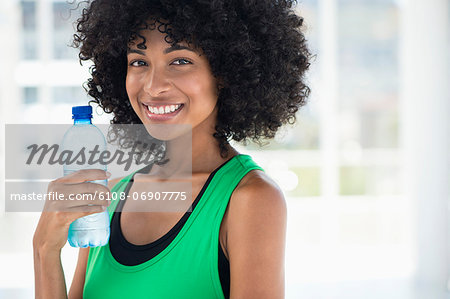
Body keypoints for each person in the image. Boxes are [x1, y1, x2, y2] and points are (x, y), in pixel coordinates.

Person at [33, 0, 312, 298]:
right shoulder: (109, 198)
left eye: (180, 61)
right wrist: (44, 250)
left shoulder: (249, 200)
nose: (153, 86)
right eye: (139, 62)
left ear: (226, 72)